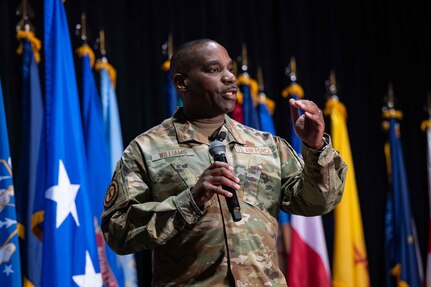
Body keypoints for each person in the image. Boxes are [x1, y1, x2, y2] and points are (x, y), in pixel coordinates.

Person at [101, 38, 347, 286]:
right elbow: (117, 231)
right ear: (181, 82)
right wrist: (190, 199)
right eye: (213, 70)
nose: (230, 77)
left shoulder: (267, 146)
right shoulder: (146, 149)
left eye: (230, 68)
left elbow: (319, 202)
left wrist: (315, 148)